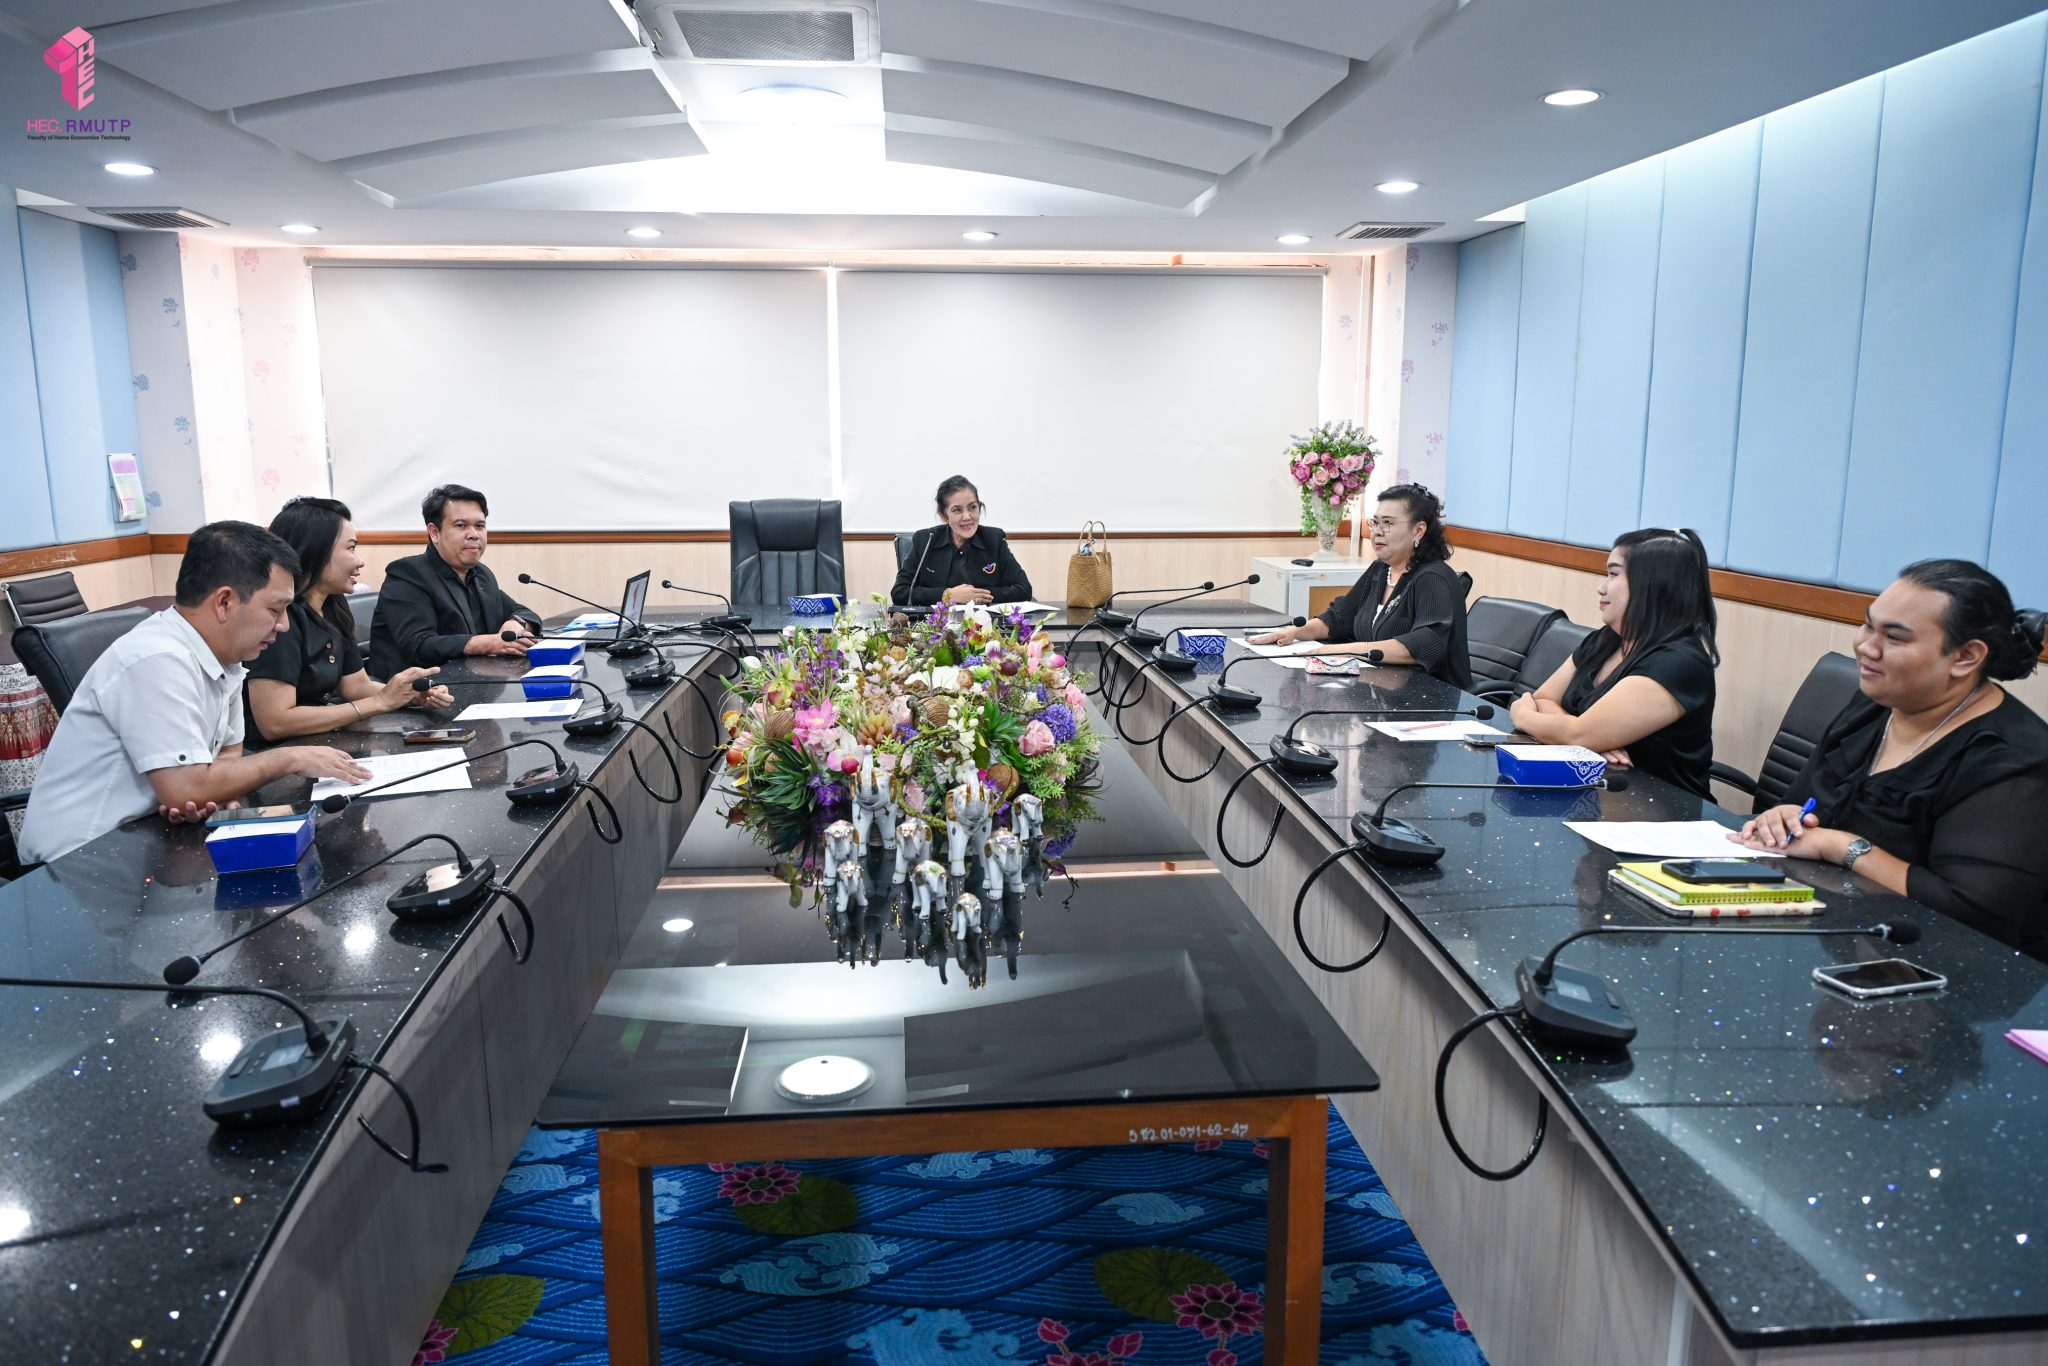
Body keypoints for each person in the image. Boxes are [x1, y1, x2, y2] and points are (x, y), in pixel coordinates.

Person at [1732, 559, 2048, 960]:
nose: (1866, 647)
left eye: (1894, 637)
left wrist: (1844, 847)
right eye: (1868, 626)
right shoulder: (1875, 704)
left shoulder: (2013, 760)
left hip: (1952, 967)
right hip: (1849, 933)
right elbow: (1802, 804)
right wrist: (1784, 818)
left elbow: (1971, 913)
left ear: (1965, 657)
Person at [17, 521, 372, 865]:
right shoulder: (158, 659)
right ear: (224, 602)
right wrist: (289, 758)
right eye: (275, 609)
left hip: (149, 837)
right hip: (75, 860)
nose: (283, 625)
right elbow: (186, 789)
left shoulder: (226, 656)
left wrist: (214, 791)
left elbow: (226, 758)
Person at [1508, 527, 1718, 797]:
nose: (1602, 587)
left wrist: (1523, 715)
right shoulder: (1606, 639)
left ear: (1651, 583)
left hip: (1663, 810)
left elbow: (1574, 732)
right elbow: (1544, 699)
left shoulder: (1677, 663)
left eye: (1614, 574)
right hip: (1597, 794)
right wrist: (1586, 741)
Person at [247, 496, 455, 743]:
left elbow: (356, 686)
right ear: (316, 550)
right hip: (279, 753)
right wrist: (380, 702)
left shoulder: (333, 604)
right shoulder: (281, 618)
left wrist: (410, 695)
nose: (359, 561)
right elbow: (276, 722)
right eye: (351, 548)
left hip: (321, 741)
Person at [1247, 483, 1473, 689]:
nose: (1377, 532)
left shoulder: (1433, 578)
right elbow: (1338, 619)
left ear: (1418, 530)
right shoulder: (1381, 569)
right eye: (1375, 522)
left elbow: (1422, 646)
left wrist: (1343, 650)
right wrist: (1293, 632)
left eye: (1388, 523)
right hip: (1381, 688)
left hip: (1431, 698)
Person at [368, 483, 540, 678]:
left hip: (476, 682)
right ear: (434, 532)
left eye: (480, 526)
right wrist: (487, 643)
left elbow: (522, 612)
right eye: (461, 526)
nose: (474, 534)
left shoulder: (481, 574)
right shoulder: (408, 574)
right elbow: (419, 644)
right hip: (420, 688)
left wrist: (515, 624)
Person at [891, 475, 1033, 608]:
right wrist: (947, 595)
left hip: (984, 623)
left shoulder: (994, 539)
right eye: (957, 510)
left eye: (972, 507)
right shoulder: (925, 540)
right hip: (936, 623)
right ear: (943, 514)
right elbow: (900, 592)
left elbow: (1024, 589)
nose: (967, 517)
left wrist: (975, 597)